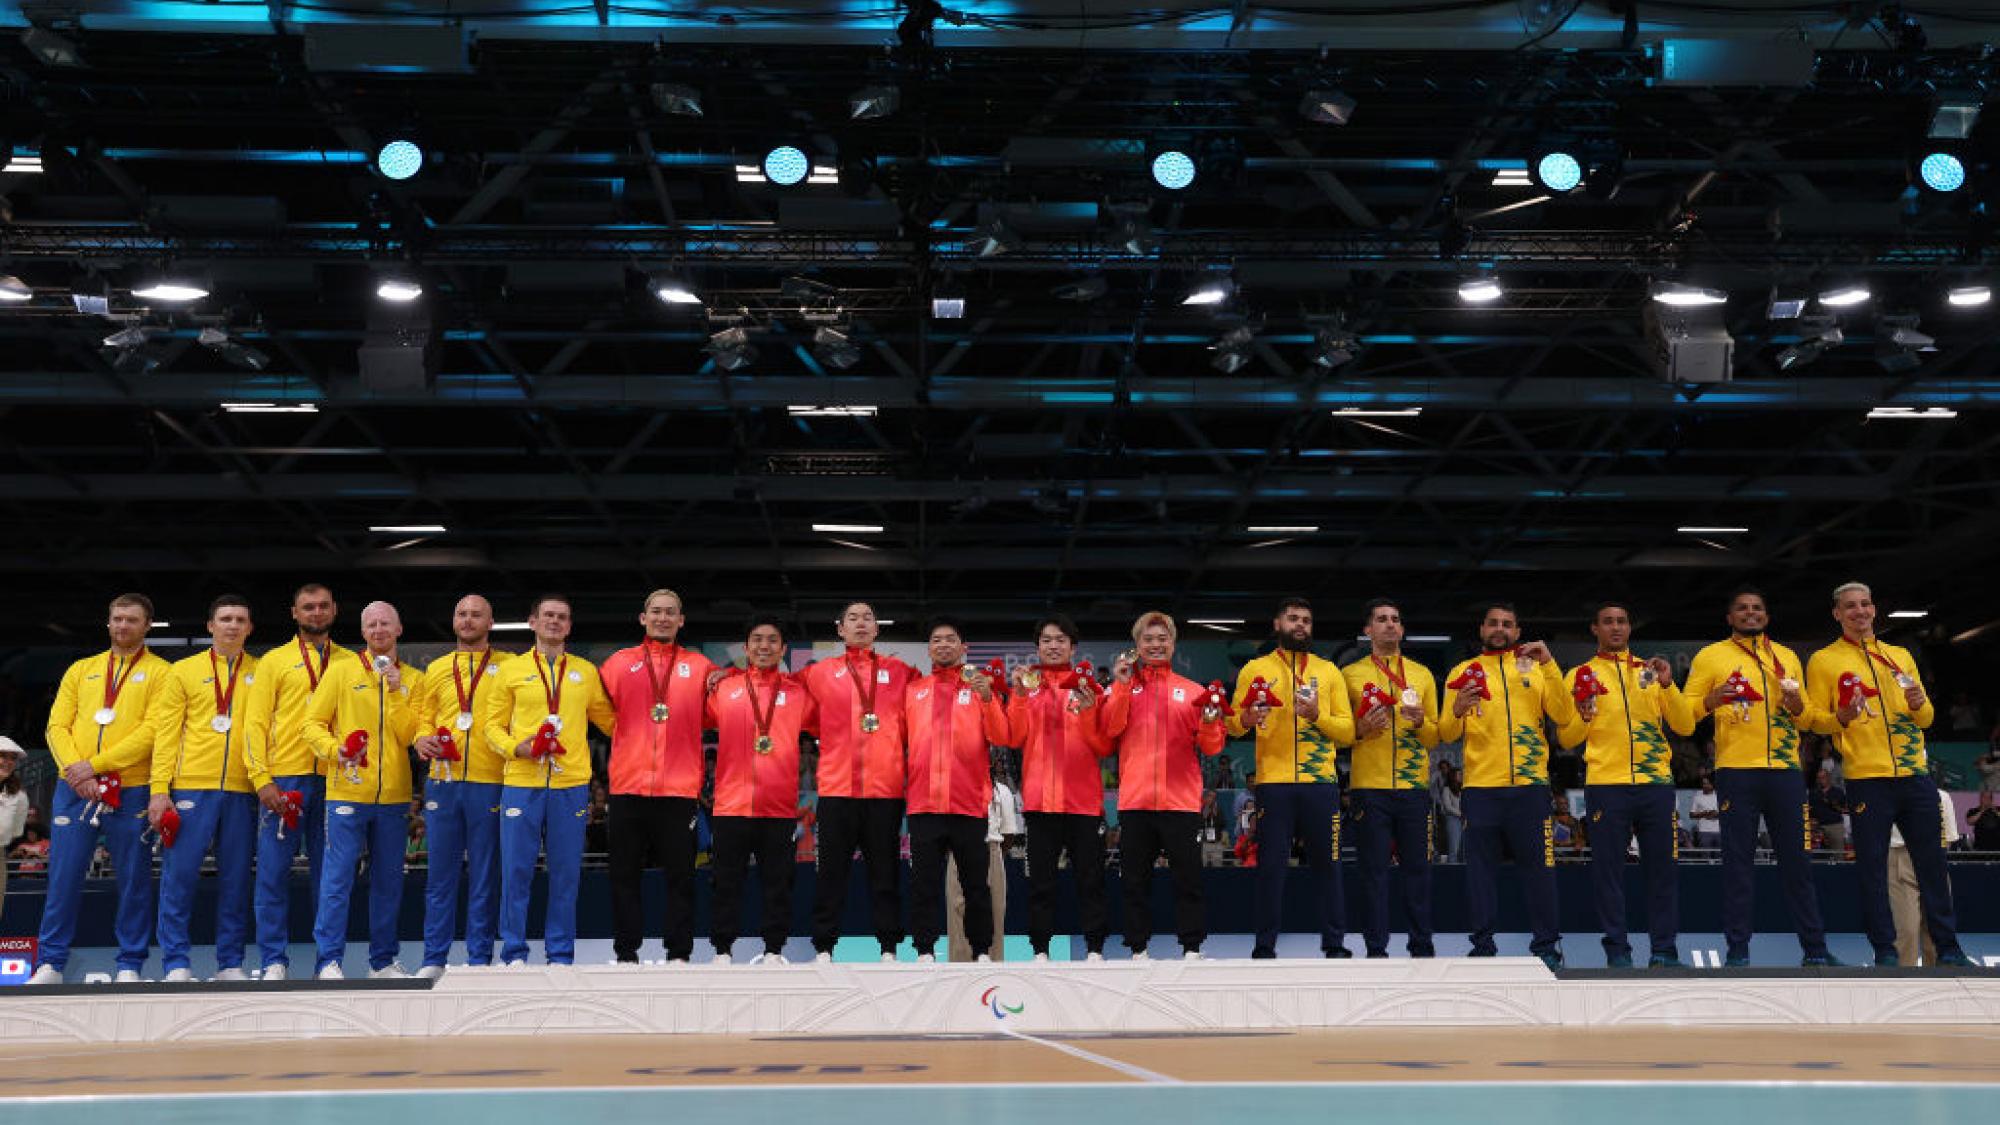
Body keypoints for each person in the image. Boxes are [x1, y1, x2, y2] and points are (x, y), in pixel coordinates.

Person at [1806, 581, 1972, 967]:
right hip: (1867, 777)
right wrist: (1841, 717)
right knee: (1873, 871)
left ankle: (1948, 949)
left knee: (1933, 867)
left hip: (1915, 776)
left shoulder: (1899, 655)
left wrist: (1919, 704)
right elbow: (1814, 720)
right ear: (1837, 614)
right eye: (1850, 606)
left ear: (1874, 610)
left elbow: (1926, 717)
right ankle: (1885, 950)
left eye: (1865, 604)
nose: (1859, 612)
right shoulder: (1823, 660)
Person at [1684, 588, 1836, 966]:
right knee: (1738, 865)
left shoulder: (1786, 657)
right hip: (1736, 771)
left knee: (1798, 864)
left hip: (1785, 771)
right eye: (1742, 608)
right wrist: (1711, 699)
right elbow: (1684, 714)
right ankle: (1737, 951)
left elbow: (1808, 717)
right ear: (1730, 617)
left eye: (1757, 609)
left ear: (1766, 617)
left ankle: (1815, 951)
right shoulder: (1711, 656)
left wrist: (1799, 706)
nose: (1750, 614)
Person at [32, 593, 172, 985]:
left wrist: (95, 766)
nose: (123, 626)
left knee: (133, 879)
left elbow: (154, 732)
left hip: (131, 788)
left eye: (132, 620)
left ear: (147, 626)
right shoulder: (81, 669)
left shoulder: (162, 674)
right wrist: (78, 774)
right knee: (62, 876)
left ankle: (130, 964)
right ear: (108, 622)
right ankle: (50, 963)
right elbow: (56, 726)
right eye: (117, 619)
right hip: (74, 789)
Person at [1436, 602, 1575, 970]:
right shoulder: (1463, 672)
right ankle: (1482, 946)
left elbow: (1563, 715)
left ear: (1517, 631)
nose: (1500, 629)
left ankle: (1546, 945)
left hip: (1530, 788)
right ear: (1482, 629)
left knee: (1540, 871)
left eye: (1508, 624)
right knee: (1480, 874)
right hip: (1481, 789)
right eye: (1494, 623)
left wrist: (1550, 663)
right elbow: (1445, 733)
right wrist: (1457, 709)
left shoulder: (1535, 667)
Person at [482, 594, 617, 967]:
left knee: (565, 875)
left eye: (562, 617)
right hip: (521, 782)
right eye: (548, 616)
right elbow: (491, 726)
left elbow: (611, 721)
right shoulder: (511, 670)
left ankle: (560, 955)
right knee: (516, 872)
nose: (555, 622)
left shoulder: (586, 673)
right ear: (533, 622)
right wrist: (516, 748)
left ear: (569, 626)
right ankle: (513, 954)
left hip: (570, 785)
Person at [1557, 602, 1695, 968]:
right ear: (1595, 629)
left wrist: (1668, 686)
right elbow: (1568, 738)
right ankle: (1617, 952)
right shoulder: (1579, 675)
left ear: (1630, 628)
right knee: (1608, 874)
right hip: (1606, 785)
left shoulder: (1651, 671)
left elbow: (1684, 726)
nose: (1615, 627)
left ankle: (1664, 951)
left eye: (1621, 621)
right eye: (1608, 622)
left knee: (1663, 872)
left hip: (1656, 785)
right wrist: (1584, 716)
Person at [1226, 596, 1356, 959]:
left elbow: (1347, 733)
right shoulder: (1255, 669)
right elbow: (1232, 724)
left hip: (1320, 785)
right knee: (1270, 868)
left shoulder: (1329, 671)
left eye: (1306, 620)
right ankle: (1264, 945)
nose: (1301, 625)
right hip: (1274, 784)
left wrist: (1317, 715)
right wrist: (1248, 719)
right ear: (1278, 624)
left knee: (1329, 866)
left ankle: (1334, 943)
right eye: (1293, 618)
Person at [303, 601, 424, 980]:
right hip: (346, 792)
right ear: (362, 631)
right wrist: (334, 751)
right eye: (370, 624)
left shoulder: (414, 680)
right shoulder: (340, 672)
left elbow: (410, 734)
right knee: (337, 879)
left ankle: (383, 962)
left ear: (399, 629)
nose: (378, 630)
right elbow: (311, 724)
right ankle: (328, 962)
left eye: (385, 623)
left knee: (389, 882)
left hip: (393, 796)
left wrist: (397, 692)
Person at [598, 589, 717, 966]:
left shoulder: (700, 667)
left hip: (678, 790)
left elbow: (714, 717)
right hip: (627, 787)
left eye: (670, 613)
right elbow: (599, 712)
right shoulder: (617, 664)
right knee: (624, 877)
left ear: (681, 620)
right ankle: (626, 954)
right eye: (656, 611)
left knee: (681, 878)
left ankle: (679, 954)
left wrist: (722, 681)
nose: (662, 618)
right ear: (642, 618)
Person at [147, 595, 261, 982]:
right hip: (191, 787)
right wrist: (159, 789)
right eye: (225, 619)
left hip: (243, 789)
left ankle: (230, 963)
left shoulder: (262, 673)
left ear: (249, 628)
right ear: (210, 626)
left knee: (236, 880)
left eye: (240, 620)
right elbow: (166, 735)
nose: (232, 625)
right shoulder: (183, 672)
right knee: (179, 877)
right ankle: (176, 963)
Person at [1100, 611, 1226, 960]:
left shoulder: (1194, 692)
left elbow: (1212, 746)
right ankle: (1138, 949)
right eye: (1148, 639)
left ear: (1173, 644)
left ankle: (1191, 948)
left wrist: (1212, 722)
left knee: (1188, 881)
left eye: (1162, 639)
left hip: (1181, 803)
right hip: (1136, 803)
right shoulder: (1121, 687)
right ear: (1137, 646)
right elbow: (1110, 731)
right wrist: (1123, 685)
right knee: (1135, 882)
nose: (1155, 645)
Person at [241, 583, 350, 981]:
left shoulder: (351, 662)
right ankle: (272, 960)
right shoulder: (273, 661)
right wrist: (261, 778)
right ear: (294, 613)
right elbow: (254, 723)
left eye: (323, 606)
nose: (316, 613)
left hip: (336, 780)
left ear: (334, 610)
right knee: (272, 873)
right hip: (284, 779)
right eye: (308, 607)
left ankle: (330, 960)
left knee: (332, 876)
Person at [800, 601, 916, 962]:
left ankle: (889, 948)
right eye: (853, 618)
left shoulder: (902, 673)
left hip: (885, 790)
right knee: (831, 874)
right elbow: (786, 699)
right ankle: (823, 947)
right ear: (840, 629)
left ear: (877, 629)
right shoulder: (818, 673)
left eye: (868, 618)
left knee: (885, 875)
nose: (861, 623)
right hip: (837, 790)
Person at [704, 615, 815, 964]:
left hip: (779, 807)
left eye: (772, 640)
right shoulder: (723, 689)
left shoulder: (799, 694)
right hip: (730, 806)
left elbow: (836, 725)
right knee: (725, 883)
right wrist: (715, 678)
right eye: (757, 639)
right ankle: (722, 950)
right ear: (746, 647)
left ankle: (774, 951)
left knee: (778, 885)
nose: (764, 646)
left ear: (783, 648)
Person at [903, 617, 1010, 963]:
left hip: (968, 805)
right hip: (923, 805)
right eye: (937, 640)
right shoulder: (914, 690)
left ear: (964, 648)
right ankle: (924, 951)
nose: (944, 645)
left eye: (951, 639)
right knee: (924, 886)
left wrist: (988, 697)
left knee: (976, 886)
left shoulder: (978, 689)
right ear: (929, 649)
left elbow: (1001, 736)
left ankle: (981, 951)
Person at [1008, 614, 1113, 961]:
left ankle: (1095, 948)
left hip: (1082, 802)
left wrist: (1086, 711)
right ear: (1037, 647)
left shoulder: (1090, 689)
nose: (1054, 646)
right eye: (1047, 640)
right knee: (1041, 883)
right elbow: (1014, 736)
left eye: (1061, 640)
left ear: (1073, 647)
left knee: (1091, 880)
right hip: (1040, 802)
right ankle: (1040, 950)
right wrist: (1020, 696)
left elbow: (1103, 747)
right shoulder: (1027, 686)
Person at [413, 594, 508, 978]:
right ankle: (434, 959)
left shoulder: (510, 667)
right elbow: (424, 718)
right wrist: (421, 739)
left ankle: (479, 960)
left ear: (490, 622)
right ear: (453, 621)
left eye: (476, 615)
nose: (468, 620)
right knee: (440, 875)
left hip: (491, 780)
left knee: (485, 876)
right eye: (462, 614)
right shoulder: (435, 669)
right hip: (443, 780)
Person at [1340, 598, 1440, 959]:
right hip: (1370, 788)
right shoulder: (1349, 675)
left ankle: (1422, 946)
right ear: (1368, 630)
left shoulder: (1423, 675)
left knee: (1419, 872)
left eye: (1395, 619)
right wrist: (1360, 729)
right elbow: (1340, 734)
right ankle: (1376, 950)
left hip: (1414, 788)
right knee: (1374, 874)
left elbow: (1435, 736)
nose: (1389, 625)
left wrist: (1419, 723)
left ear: (1402, 628)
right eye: (1381, 619)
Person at [950, 765, 1019, 962]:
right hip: (958, 853)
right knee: (957, 912)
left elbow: (1008, 833)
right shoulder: (953, 789)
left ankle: (994, 964)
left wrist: (994, 856)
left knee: (995, 913)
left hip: (991, 848)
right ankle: (958, 966)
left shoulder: (1002, 792)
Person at [1889, 786, 1961, 966]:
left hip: (1934, 858)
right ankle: (1904, 980)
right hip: (1900, 855)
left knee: (1936, 930)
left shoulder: (1942, 797)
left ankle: (1938, 981)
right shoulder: (1889, 794)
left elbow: (1949, 837)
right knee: (1906, 929)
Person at [0, 739, 28, 918]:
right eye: (2, 756)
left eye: (13, 758)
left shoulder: (19, 797)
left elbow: (16, 832)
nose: (8, 762)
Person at [1810, 769, 1848, 854]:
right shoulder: (1813, 793)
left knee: (1838, 853)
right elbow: (1810, 809)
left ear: (1829, 778)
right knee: (1817, 854)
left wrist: (1833, 804)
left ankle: (1839, 867)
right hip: (1818, 827)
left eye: (1823, 777)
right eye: (1819, 778)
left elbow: (1844, 808)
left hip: (1835, 826)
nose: (1821, 780)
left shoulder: (1838, 792)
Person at [1688, 777, 1720, 849]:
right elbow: (1691, 815)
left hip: (1718, 831)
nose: (1705, 786)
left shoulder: (1719, 796)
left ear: (1712, 784)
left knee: (1719, 857)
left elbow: (1727, 813)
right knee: (1705, 857)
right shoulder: (1698, 797)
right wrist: (1704, 813)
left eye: (1707, 783)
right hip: (1704, 831)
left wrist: (1715, 814)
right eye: (1703, 784)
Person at [1551, 792, 1587, 857]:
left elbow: (1582, 838)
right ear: (1556, 805)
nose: (1564, 806)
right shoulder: (1550, 821)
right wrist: (1557, 843)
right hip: (1556, 858)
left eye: (1566, 803)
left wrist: (1580, 843)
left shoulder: (1575, 821)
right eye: (1561, 803)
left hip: (1572, 858)